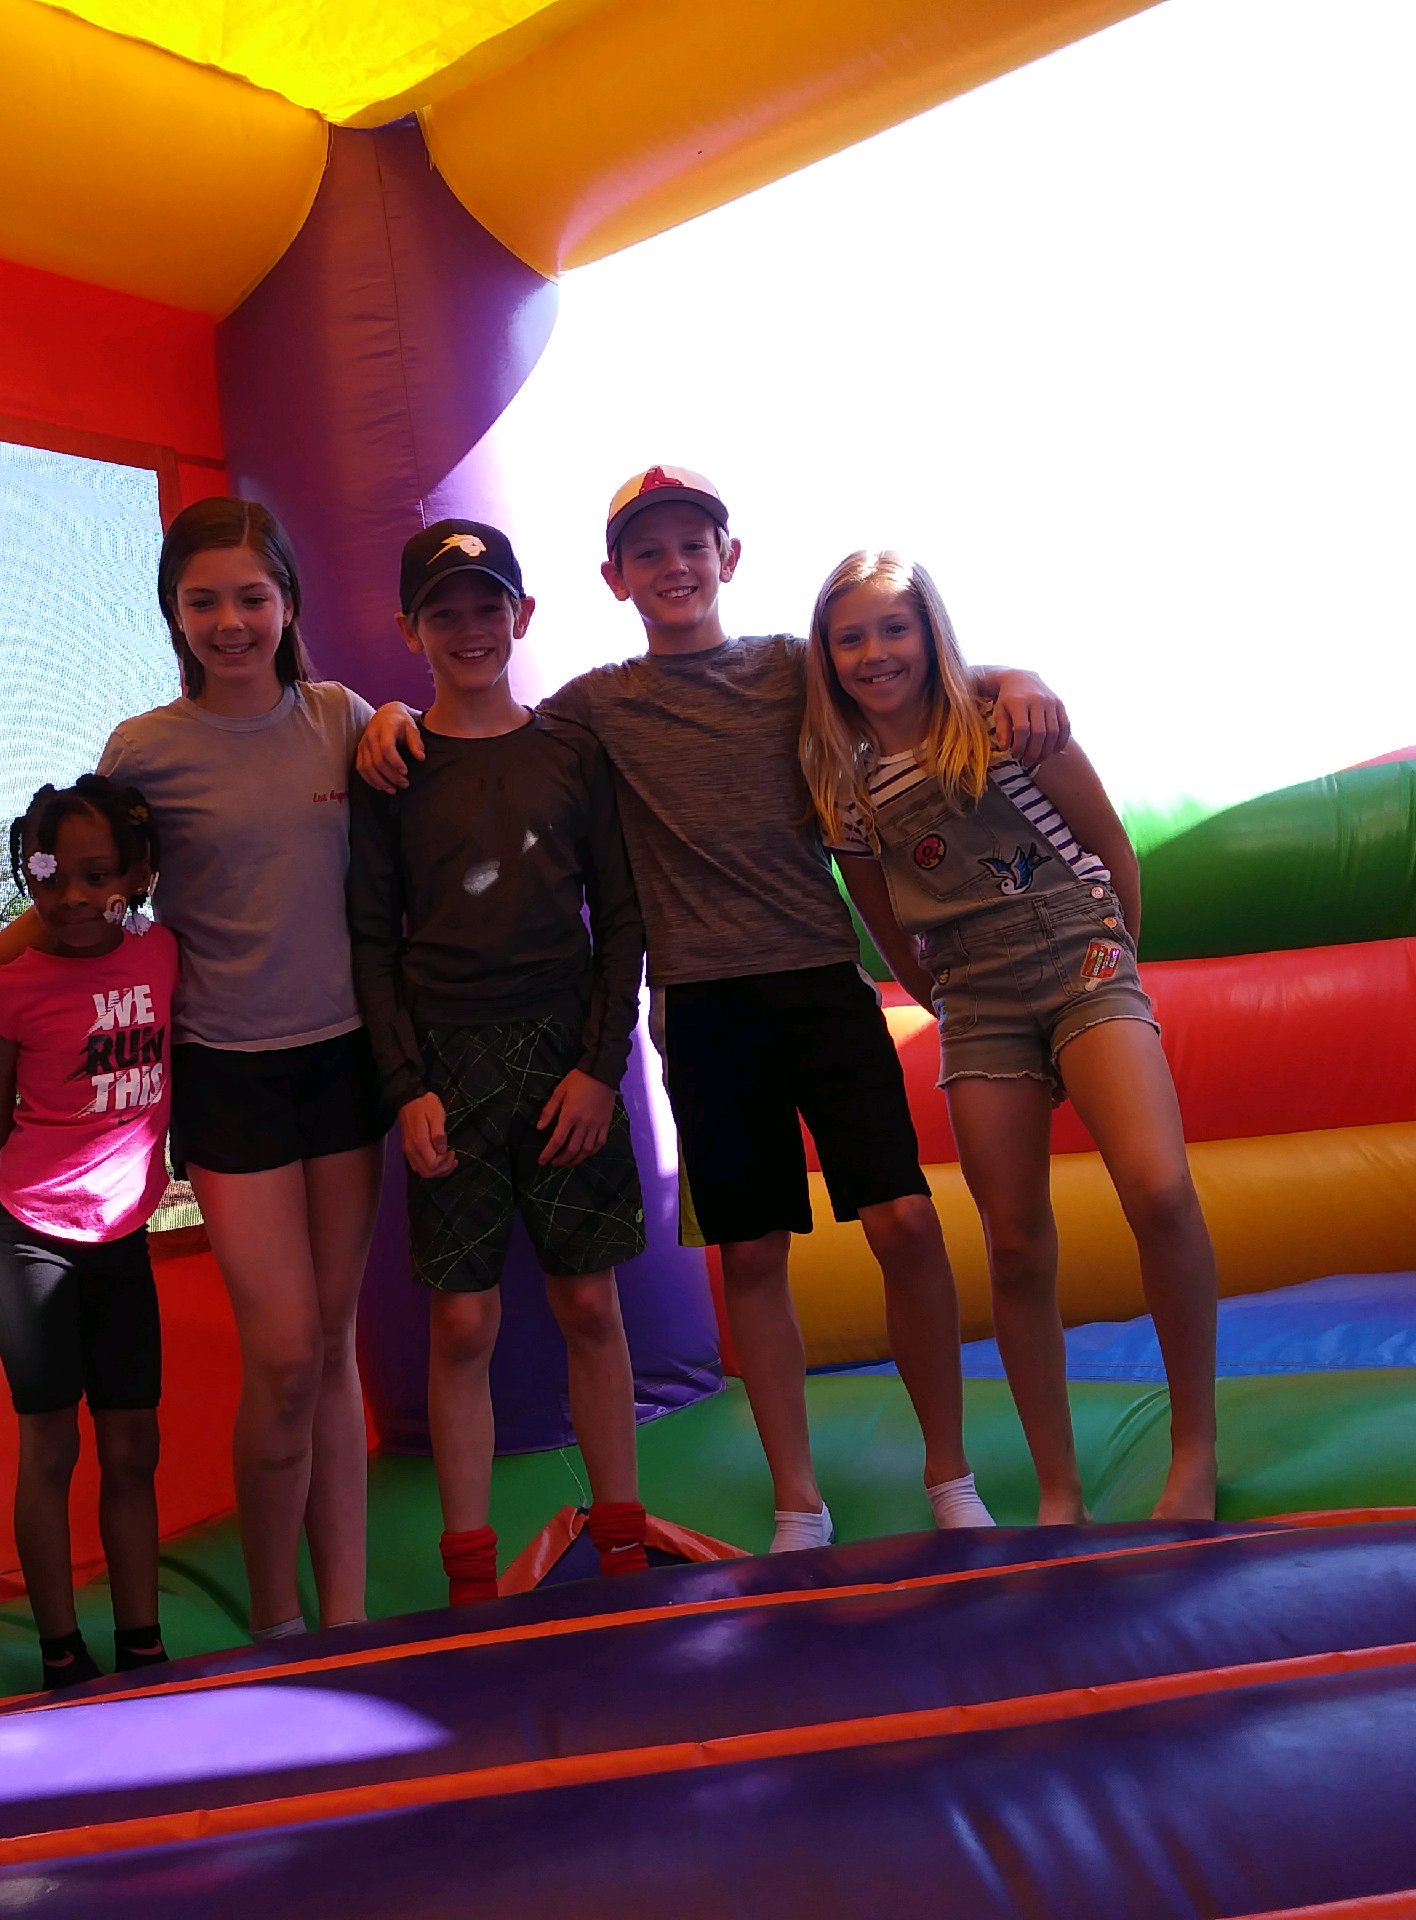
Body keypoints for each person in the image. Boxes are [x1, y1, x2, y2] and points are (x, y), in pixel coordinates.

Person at [363, 467, 1065, 1552]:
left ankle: (948, 1468)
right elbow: (486, 732)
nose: (674, 567)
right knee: (749, 1256)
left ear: (727, 558)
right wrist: (389, 720)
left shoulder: (796, 670)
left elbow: (910, 677)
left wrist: (1010, 675)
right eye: (649, 553)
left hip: (820, 984)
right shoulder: (598, 706)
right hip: (701, 1005)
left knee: (906, 1219)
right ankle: (798, 1499)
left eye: (694, 546)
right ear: (613, 579)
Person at [0, 497, 385, 1643]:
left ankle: (345, 1621)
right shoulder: (145, 750)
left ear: (287, 604)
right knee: (287, 1351)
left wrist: (400, 711)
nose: (229, 621)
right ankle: (275, 1625)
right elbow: (80, 892)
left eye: (250, 598)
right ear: (172, 613)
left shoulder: (340, 721)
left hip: (342, 1060)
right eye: (202, 600)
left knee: (337, 1345)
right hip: (228, 1072)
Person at [802, 551, 1218, 1522]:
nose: (874, 653)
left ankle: (1193, 1449)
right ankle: (1059, 1487)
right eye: (850, 636)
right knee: (1017, 1245)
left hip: (1077, 953)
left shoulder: (1003, 723)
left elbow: (1109, 846)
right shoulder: (844, 788)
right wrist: (949, 997)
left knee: (1158, 1188)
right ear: (825, 656)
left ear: (932, 634)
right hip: (974, 994)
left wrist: (1110, 963)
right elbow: (886, 927)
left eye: (893, 629)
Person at [348, 520, 652, 1606]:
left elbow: (620, 921)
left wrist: (597, 1067)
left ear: (522, 616)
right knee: (464, 1318)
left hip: (564, 1056)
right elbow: (371, 941)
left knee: (588, 1305)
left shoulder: (573, 753)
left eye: (490, 608)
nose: (470, 630)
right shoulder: (390, 767)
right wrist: (405, 1087)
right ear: (409, 630)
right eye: (445, 613)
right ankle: (469, 1572)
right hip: (447, 1068)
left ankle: (622, 1537)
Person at [0, 776, 177, 1687]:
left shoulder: (161, 953)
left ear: (135, 875)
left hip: (121, 1237)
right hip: (28, 1236)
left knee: (134, 1444)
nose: (73, 898)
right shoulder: (11, 990)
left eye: (99, 877)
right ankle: (61, 1650)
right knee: (51, 1442)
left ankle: (143, 1640)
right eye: (49, 876)